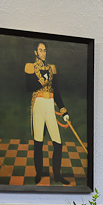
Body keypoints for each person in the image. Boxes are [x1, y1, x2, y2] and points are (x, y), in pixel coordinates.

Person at [24, 41, 71, 185]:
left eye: (44, 50)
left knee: (57, 142)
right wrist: (43, 81)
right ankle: (39, 173)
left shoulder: (52, 68)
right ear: (35, 52)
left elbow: (56, 91)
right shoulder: (30, 67)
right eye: (40, 50)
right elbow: (29, 87)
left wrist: (63, 110)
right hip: (38, 105)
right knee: (38, 141)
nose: (43, 53)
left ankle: (57, 175)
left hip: (50, 105)